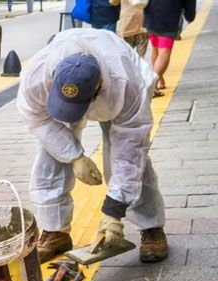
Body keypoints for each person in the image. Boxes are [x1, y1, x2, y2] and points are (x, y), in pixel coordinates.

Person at [17, 29, 168, 265]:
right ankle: (55, 230)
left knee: (133, 161)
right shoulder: (37, 77)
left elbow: (130, 151)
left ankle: (151, 227)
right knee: (50, 154)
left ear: (99, 88)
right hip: (70, 89)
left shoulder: (127, 84)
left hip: (118, 96)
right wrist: (74, 156)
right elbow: (38, 119)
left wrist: (113, 210)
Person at [144, 0, 195, 94]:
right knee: (165, 51)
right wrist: (190, 16)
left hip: (150, 16)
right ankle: (152, 86)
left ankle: (160, 81)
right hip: (168, 17)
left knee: (156, 48)